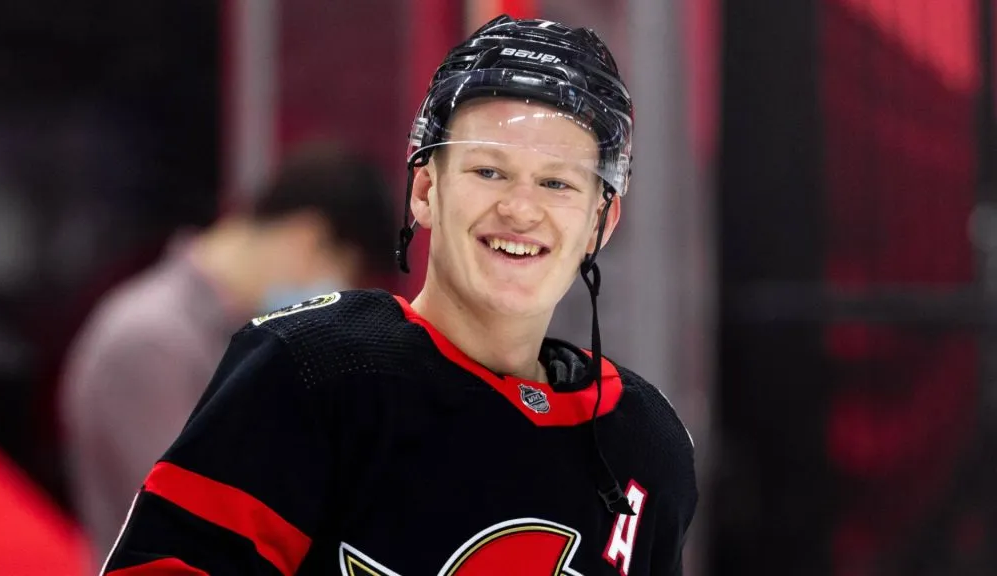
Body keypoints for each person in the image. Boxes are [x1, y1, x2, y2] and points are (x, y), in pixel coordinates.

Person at [101, 15, 697, 576]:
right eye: (488, 171)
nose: (520, 209)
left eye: (557, 183)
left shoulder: (643, 445)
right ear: (425, 188)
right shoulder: (311, 370)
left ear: (602, 221)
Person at [60, 141, 397, 567]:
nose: (338, 301)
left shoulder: (245, 338)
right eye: (344, 277)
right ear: (307, 239)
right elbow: (196, 522)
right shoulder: (152, 340)